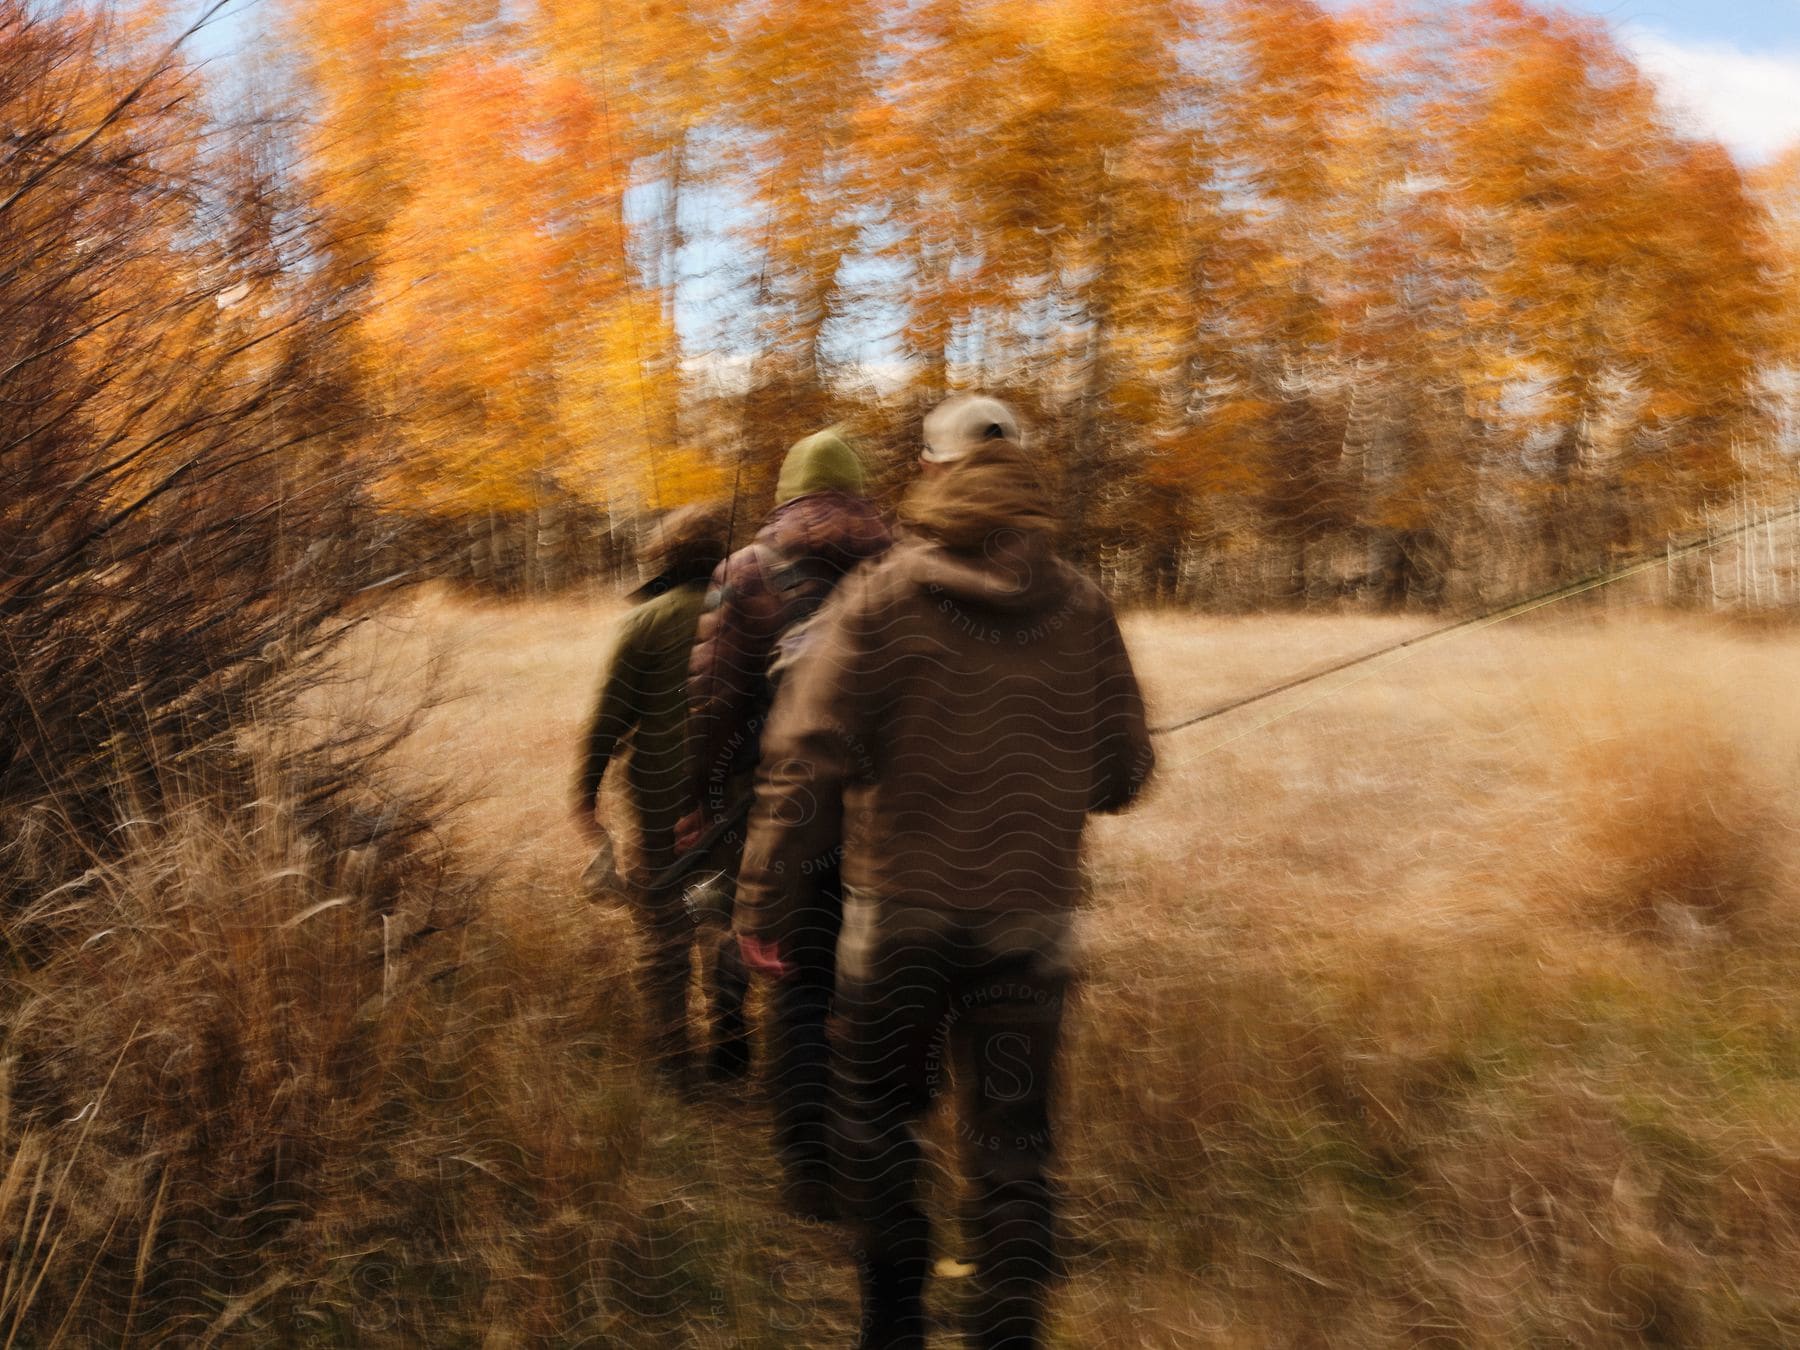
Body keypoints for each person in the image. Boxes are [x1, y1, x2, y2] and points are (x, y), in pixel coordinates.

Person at [733, 396, 1154, 1349]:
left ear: (930, 475)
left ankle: (894, 1326)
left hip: (898, 930)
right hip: (1028, 928)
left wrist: (763, 901)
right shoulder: (1084, 605)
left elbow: (803, 759)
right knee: (1013, 1152)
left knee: (878, 1120)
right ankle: (1004, 1333)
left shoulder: (883, 596)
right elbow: (1123, 775)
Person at [682, 424, 891, 1210]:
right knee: (867, 974)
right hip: (882, 806)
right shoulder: (900, 565)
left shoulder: (746, 571)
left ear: (786, 494)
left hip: (781, 804)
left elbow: (714, 698)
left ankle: (808, 1165)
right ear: (860, 493)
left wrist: (697, 799)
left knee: (796, 976)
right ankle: (874, 1143)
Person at [573, 502, 731, 1094]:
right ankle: (729, 1042)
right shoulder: (747, 611)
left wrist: (585, 792)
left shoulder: (646, 622)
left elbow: (609, 716)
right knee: (725, 917)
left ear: (665, 555)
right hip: (734, 802)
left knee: (664, 929)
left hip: (659, 797)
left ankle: (672, 1060)